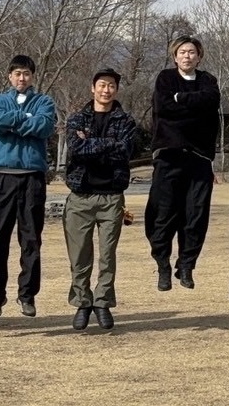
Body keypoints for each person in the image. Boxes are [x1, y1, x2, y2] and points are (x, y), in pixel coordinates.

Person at [0, 54, 57, 321]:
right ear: (9, 76)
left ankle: (27, 295)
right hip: (2, 176)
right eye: (17, 73)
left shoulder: (44, 102)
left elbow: (44, 126)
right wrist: (24, 118)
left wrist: (14, 121)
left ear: (33, 76)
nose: (21, 78)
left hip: (32, 178)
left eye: (26, 73)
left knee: (31, 240)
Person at [144, 36, 221, 291]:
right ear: (174, 56)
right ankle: (163, 263)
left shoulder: (208, 81)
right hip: (168, 155)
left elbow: (210, 103)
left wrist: (180, 101)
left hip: (199, 157)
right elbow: (163, 107)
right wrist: (190, 107)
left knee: (196, 214)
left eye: (192, 52)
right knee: (163, 212)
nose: (187, 56)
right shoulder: (165, 79)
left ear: (199, 56)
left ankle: (186, 264)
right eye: (182, 52)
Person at [63, 68, 136, 331]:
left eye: (112, 86)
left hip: (112, 197)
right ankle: (83, 303)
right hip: (80, 196)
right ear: (93, 88)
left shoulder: (125, 121)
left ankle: (103, 302)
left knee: (108, 255)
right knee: (79, 255)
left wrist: (92, 143)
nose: (106, 90)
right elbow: (76, 150)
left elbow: (124, 151)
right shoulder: (76, 119)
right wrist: (107, 144)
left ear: (117, 89)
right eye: (102, 85)